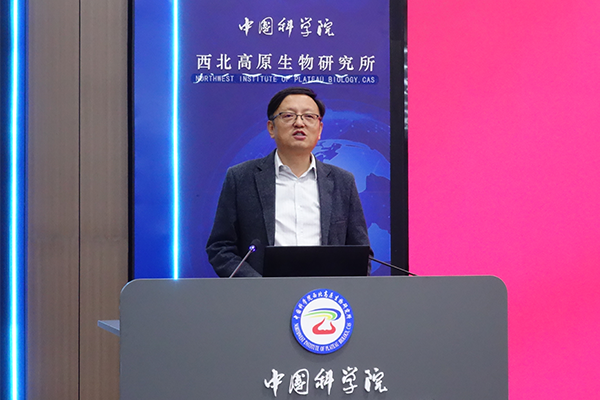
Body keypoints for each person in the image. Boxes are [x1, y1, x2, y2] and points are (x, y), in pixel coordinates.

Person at [206, 87, 371, 277]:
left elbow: (361, 253)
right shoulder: (241, 178)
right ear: (271, 128)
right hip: (263, 292)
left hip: (323, 293)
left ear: (319, 129)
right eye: (288, 116)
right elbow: (221, 247)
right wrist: (257, 286)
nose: (299, 123)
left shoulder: (342, 181)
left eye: (309, 116)